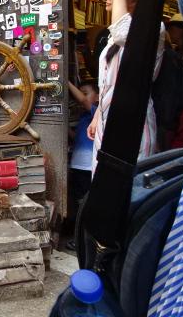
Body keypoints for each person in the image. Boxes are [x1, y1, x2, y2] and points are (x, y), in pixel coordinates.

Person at [87, 0, 165, 173]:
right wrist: (97, 116)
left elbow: (124, 34)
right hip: (107, 122)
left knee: (127, 188)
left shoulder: (155, 28)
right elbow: (108, 82)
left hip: (132, 123)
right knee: (102, 183)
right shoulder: (112, 35)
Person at [66, 80, 99, 251]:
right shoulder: (85, 118)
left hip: (87, 168)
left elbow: (84, 101)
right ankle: (80, 239)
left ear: (98, 97)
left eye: (86, 92)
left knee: (85, 205)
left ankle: (83, 241)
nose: (83, 96)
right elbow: (76, 137)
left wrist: (66, 81)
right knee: (79, 204)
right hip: (78, 167)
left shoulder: (96, 112)